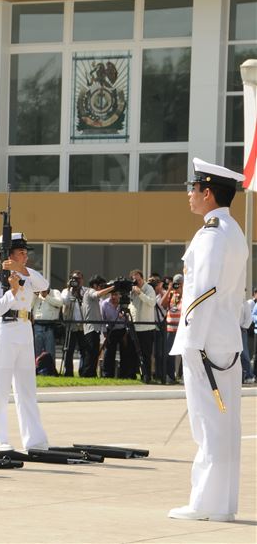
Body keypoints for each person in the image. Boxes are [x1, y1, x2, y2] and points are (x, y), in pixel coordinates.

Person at [167, 158, 247, 523]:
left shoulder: (212, 233)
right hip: (224, 338)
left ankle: (205, 503)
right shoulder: (233, 230)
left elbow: (203, 291)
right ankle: (222, 504)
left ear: (208, 192)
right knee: (224, 424)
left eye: (193, 188)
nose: (189, 194)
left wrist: (192, 339)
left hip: (205, 340)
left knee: (207, 423)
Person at [0, 233, 50, 452]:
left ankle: (35, 440)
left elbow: (44, 284)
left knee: (27, 389)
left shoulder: (28, 275)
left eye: (25, 252)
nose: (25, 256)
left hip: (24, 331)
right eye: (21, 252)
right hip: (5, 331)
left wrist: (21, 270)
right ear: (8, 254)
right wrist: (12, 291)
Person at [128, 269, 157, 383]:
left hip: (146, 328)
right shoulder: (132, 290)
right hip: (134, 327)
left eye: (138, 280)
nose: (136, 282)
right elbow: (131, 305)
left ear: (142, 278)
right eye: (134, 280)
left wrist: (140, 293)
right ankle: (132, 375)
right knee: (132, 353)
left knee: (146, 354)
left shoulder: (149, 289)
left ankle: (146, 376)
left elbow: (152, 302)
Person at [61, 271, 88, 377]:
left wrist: (80, 295)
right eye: (74, 278)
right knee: (68, 350)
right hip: (70, 324)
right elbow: (65, 302)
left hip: (83, 324)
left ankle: (83, 372)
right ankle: (68, 373)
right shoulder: (65, 291)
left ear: (82, 280)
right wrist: (70, 290)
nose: (77, 281)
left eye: (79, 278)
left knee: (84, 350)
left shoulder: (85, 291)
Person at [31, 286, 62, 374]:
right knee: (36, 350)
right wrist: (34, 296)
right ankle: (35, 370)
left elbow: (59, 303)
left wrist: (46, 296)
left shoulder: (55, 292)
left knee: (50, 350)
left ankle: (50, 371)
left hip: (50, 326)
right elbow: (28, 306)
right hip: (37, 325)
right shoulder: (36, 295)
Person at [99, 291, 129, 378]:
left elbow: (129, 319)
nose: (113, 297)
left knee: (125, 353)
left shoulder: (124, 304)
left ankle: (124, 375)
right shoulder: (105, 304)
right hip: (111, 330)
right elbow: (102, 319)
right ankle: (107, 374)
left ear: (120, 295)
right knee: (109, 353)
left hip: (123, 330)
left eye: (116, 295)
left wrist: (126, 333)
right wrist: (105, 333)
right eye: (112, 295)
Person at [160, 275, 183, 384]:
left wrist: (181, 290)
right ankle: (170, 376)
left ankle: (182, 375)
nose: (177, 284)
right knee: (169, 352)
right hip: (170, 328)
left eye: (179, 282)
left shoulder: (186, 294)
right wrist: (169, 289)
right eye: (175, 282)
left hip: (182, 329)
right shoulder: (171, 293)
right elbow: (162, 304)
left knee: (184, 353)